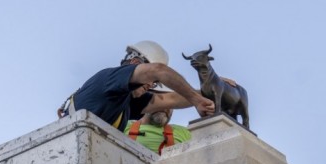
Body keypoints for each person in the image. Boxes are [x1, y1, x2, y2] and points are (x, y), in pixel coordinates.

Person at [58, 40, 215, 131]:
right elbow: (158, 70)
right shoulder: (109, 78)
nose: (151, 85)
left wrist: (211, 88)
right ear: (134, 63)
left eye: (155, 83)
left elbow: (170, 99)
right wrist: (197, 99)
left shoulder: (125, 102)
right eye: (151, 80)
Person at [124, 87, 191, 154]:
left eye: (170, 103)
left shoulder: (185, 133)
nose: (164, 106)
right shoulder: (124, 125)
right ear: (145, 101)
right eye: (160, 100)